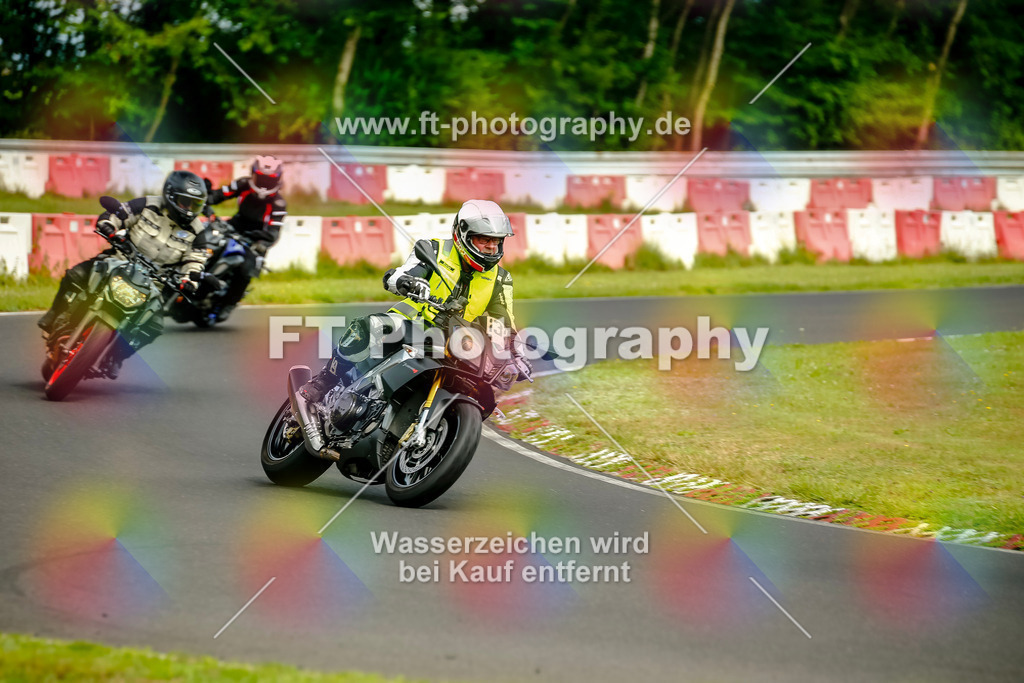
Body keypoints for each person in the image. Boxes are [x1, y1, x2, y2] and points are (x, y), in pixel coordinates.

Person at [299, 199, 531, 403]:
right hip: (412, 326)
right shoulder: (434, 250)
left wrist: (517, 355)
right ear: (463, 235)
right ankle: (326, 379)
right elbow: (398, 275)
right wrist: (408, 283)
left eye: (496, 241)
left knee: (481, 388)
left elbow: (504, 321)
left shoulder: (501, 278)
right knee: (367, 326)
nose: (491, 247)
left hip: (454, 345)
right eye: (484, 240)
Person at [37, 170, 216, 378]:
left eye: (196, 205)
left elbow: (196, 260)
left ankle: (115, 357)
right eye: (186, 202)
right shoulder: (147, 204)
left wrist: (189, 280)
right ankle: (52, 320)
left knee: (154, 326)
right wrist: (108, 225)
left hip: (154, 284)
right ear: (171, 196)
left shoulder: (198, 232)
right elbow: (119, 214)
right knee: (75, 276)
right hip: (118, 261)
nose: (189, 209)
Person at [204, 155, 287, 319]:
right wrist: (205, 194)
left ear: (277, 180)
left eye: (268, 180)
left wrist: (263, 242)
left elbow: (274, 232)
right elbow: (218, 196)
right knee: (204, 239)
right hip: (235, 225)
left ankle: (229, 303)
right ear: (253, 174)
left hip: (256, 239)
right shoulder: (243, 184)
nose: (264, 183)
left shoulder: (278, 203)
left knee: (246, 268)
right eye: (261, 178)